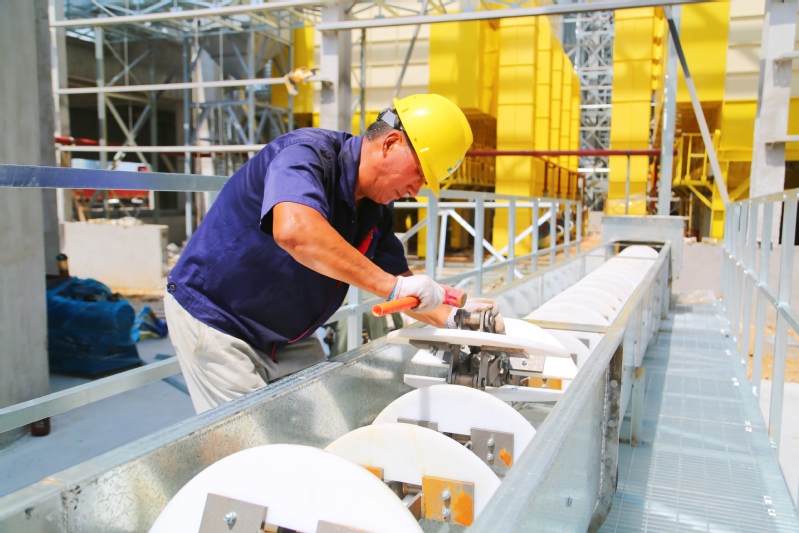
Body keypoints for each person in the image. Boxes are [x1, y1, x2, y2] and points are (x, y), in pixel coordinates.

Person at [164, 93, 506, 413]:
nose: (416, 190)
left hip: (285, 336)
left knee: (327, 420)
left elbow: (404, 285)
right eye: (419, 174)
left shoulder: (376, 208)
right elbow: (295, 231)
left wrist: (458, 317)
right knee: (249, 442)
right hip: (220, 320)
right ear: (390, 143)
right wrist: (394, 288)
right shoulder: (305, 154)